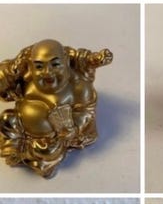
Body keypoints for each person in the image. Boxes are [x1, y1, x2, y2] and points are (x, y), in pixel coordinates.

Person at [0, 39, 113, 177]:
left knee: (48, 150)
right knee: (6, 119)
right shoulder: (26, 81)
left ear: (66, 61)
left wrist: (74, 128)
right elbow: (5, 83)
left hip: (53, 138)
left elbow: (86, 112)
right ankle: (15, 148)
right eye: (39, 67)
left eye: (55, 65)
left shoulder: (78, 86)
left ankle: (35, 158)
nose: (47, 72)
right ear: (30, 66)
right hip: (22, 124)